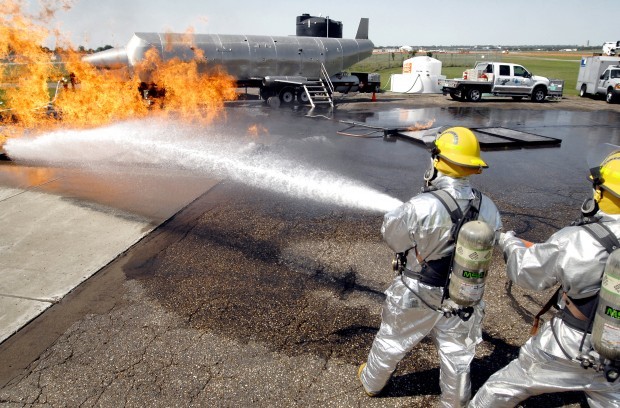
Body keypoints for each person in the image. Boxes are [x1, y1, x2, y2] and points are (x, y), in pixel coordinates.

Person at [358, 127, 503, 408]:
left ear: (437, 160)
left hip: (417, 290)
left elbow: (393, 238)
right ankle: (455, 400)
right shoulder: (488, 206)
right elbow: (492, 241)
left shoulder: (421, 205)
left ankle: (372, 383)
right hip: (463, 296)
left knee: (392, 339)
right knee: (458, 354)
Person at [469, 143, 620, 408]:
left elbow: (527, 272)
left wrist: (509, 242)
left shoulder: (577, 240)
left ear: (600, 191)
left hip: (571, 347)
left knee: (501, 388)